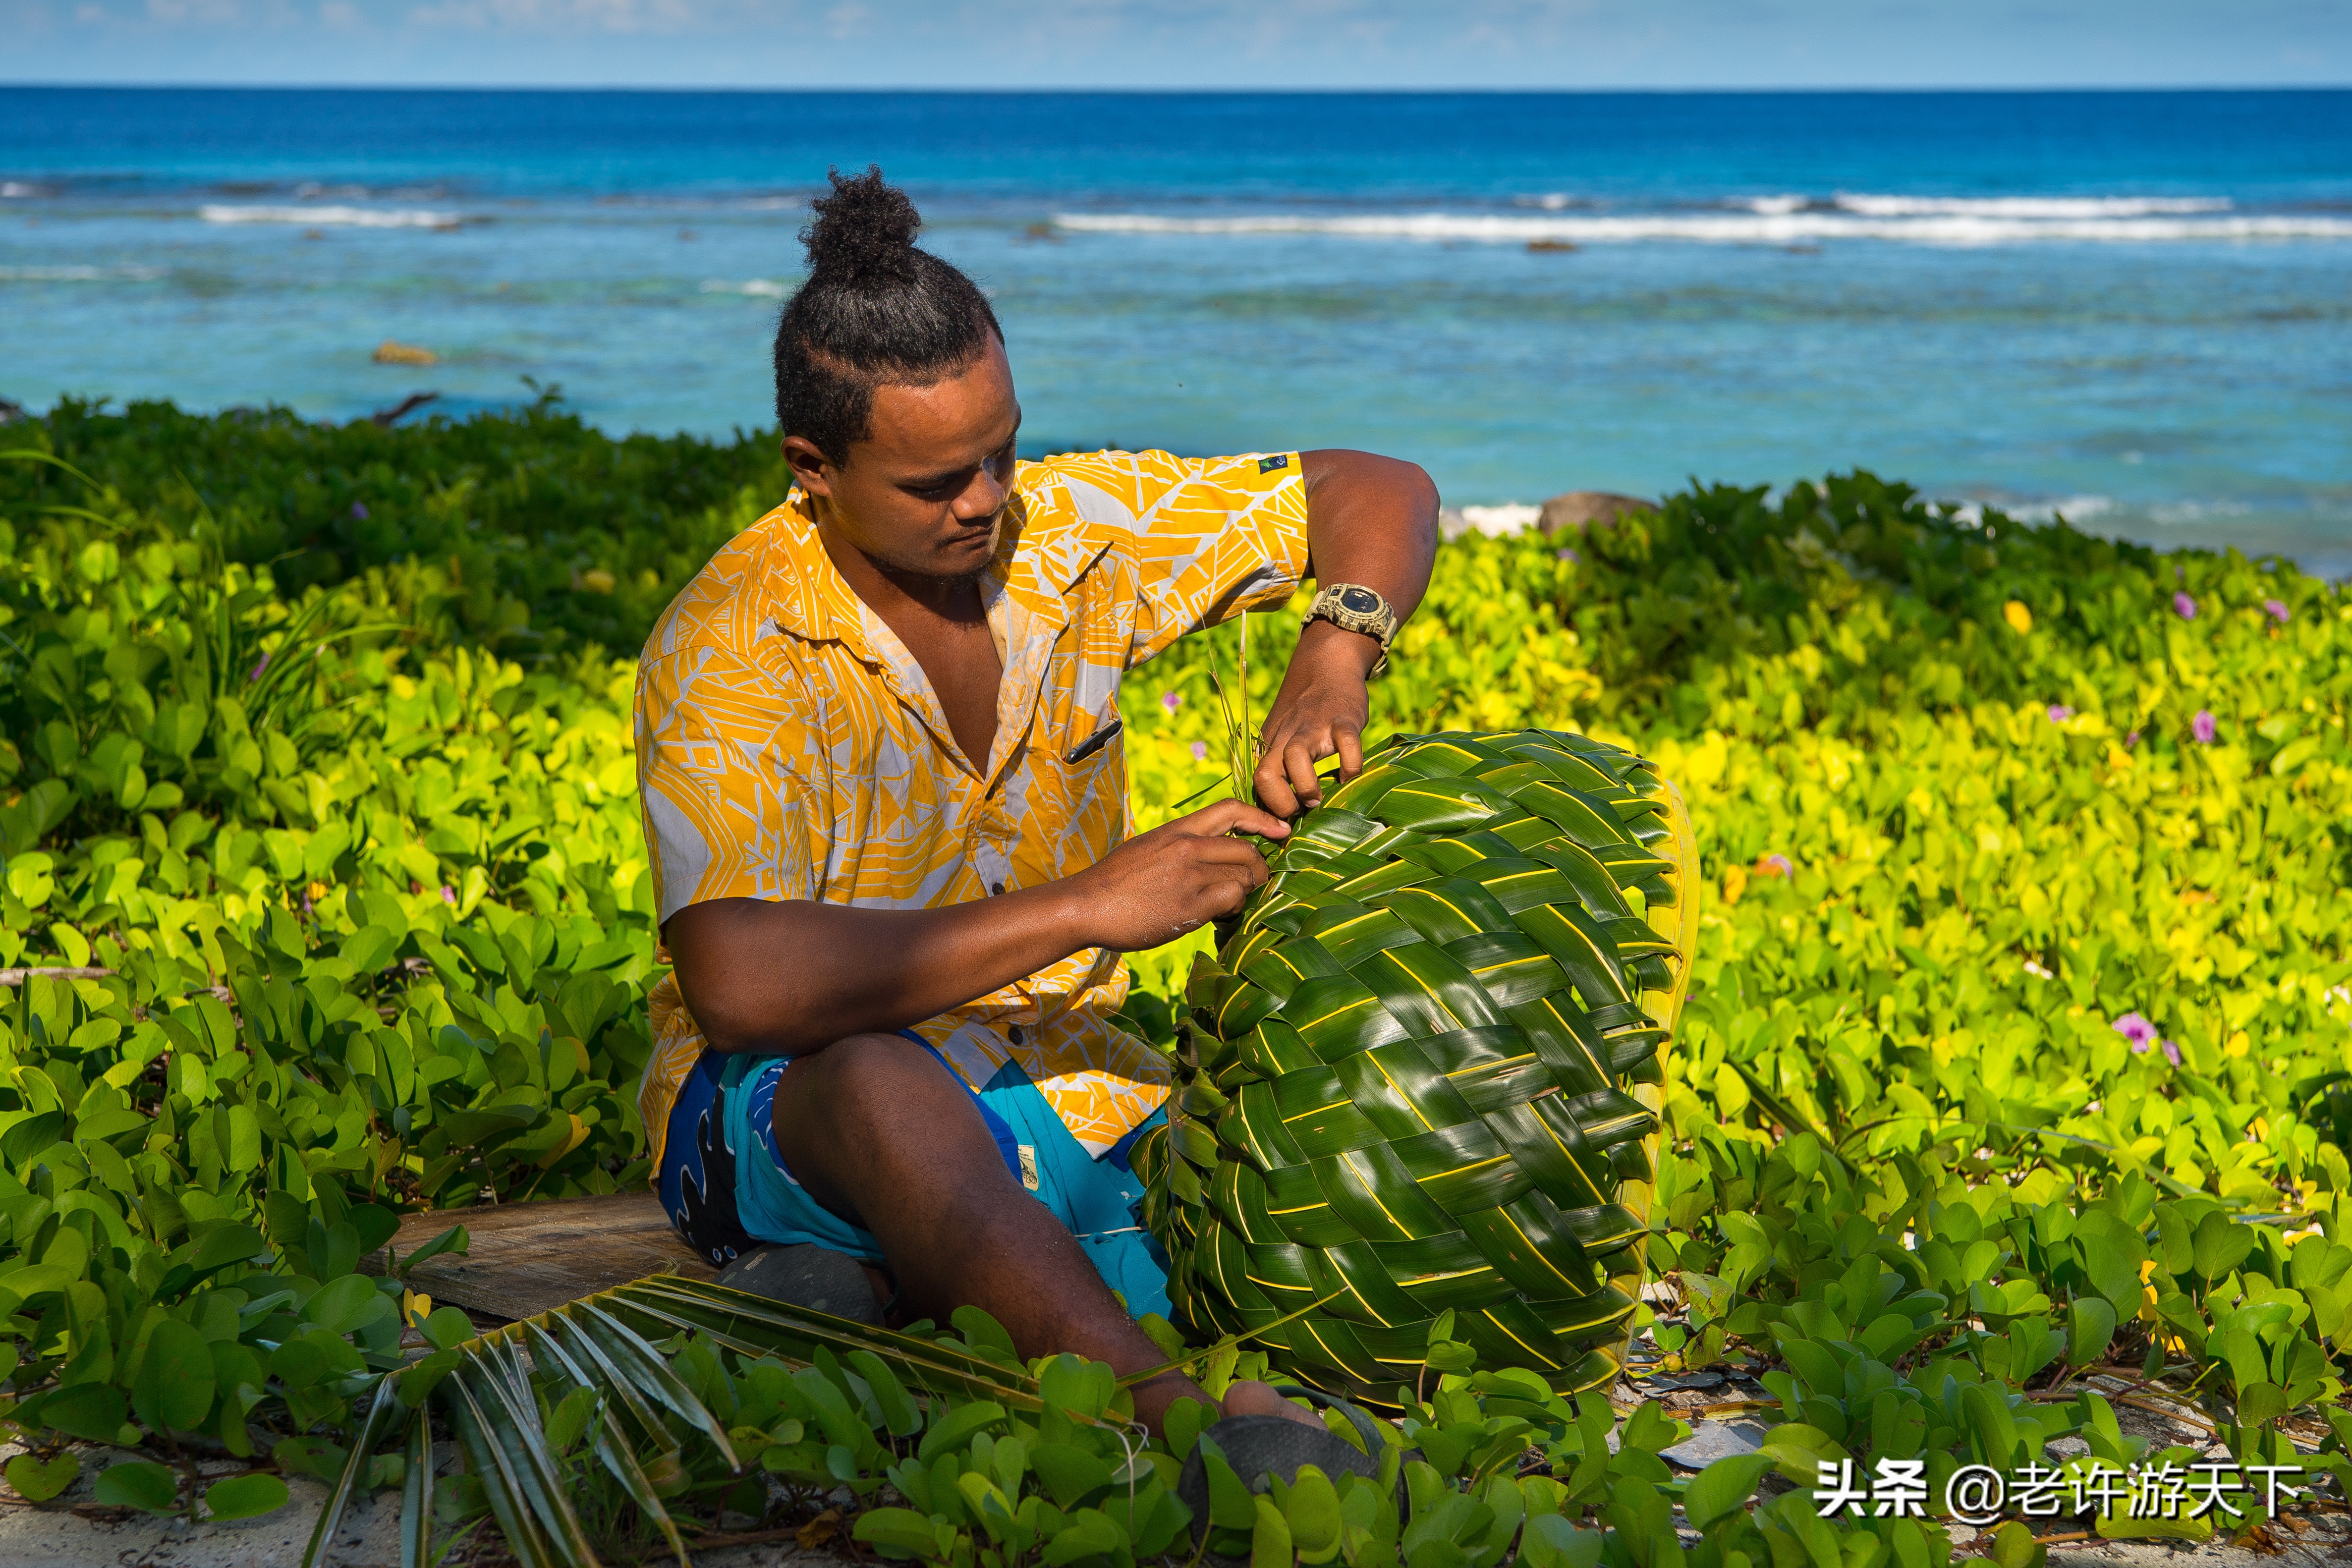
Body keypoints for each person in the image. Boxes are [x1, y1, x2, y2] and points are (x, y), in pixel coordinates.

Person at [634, 166, 1437, 1439]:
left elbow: (1373, 487)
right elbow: (739, 983)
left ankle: (876, 1294)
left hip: (1069, 1085)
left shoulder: (1069, 533)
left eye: (1002, 451)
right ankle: (1169, 1422)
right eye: (936, 481)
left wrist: (1337, 646)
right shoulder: (731, 638)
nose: (987, 501)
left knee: (1332, 1157)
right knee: (881, 1086)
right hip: (778, 1111)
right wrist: (1094, 909)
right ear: (813, 468)